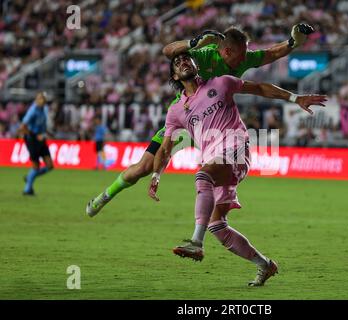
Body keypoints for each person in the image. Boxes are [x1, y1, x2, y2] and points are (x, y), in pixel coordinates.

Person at [86, 23, 315, 217]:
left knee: (220, 164)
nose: (246, 59)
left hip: (214, 125)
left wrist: (292, 42)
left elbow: (271, 53)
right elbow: (169, 52)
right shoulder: (204, 56)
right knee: (143, 168)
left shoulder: (242, 58)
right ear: (225, 52)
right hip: (185, 120)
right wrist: (192, 43)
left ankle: (211, 226)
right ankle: (104, 196)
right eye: (241, 55)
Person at [149, 52, 327, 286]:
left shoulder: (220, 82)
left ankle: (195, 242)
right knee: (217, 225)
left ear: (195, 65)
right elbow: (165, 148)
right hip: (213, 157)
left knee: (203, 175)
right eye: (177, 62)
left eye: (187, 59)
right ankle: (265, 265)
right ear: (174, 75)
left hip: (236, 147)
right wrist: (155, 174)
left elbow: (260, 88)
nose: (183, 62)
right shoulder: (176, 111)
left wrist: (294, 98)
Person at [19, 92, 54, 195]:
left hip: (41, 138)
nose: (42, 101)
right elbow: (23, 127)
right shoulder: (32, 111)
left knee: (50, 165)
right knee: (36, 166)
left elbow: (43, 124)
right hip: (32, 140)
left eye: (43, 99)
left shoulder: (44, 109)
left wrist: (47, 133)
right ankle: (27, 190)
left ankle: (30, 177)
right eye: (39, 99)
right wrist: (35, 135)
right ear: (36, 100)